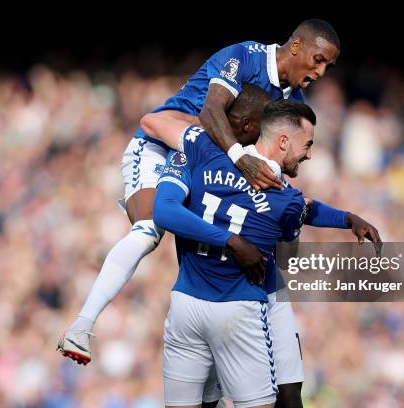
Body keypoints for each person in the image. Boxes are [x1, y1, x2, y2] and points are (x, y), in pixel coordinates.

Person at [58, 20, 342, 365]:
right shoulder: (244, 57)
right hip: (164, 145)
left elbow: (276, 159)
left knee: (233, 251)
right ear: (296, 46)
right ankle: (81, 326)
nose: (322, 71)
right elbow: (211, 111)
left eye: (328, 65)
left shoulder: (293, 100)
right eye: (318, 59)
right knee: (149, 231)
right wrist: (242, 159)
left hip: (212, 163)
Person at [149, 95, 381, 407]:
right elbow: (296, 224)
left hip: (185, 302)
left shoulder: (199, 146)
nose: (309, 155)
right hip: (239, 307)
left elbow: (152, 125)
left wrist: (345, 218)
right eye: (307, 145)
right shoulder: (285, 200)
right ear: (283, 142)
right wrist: (234, 241)